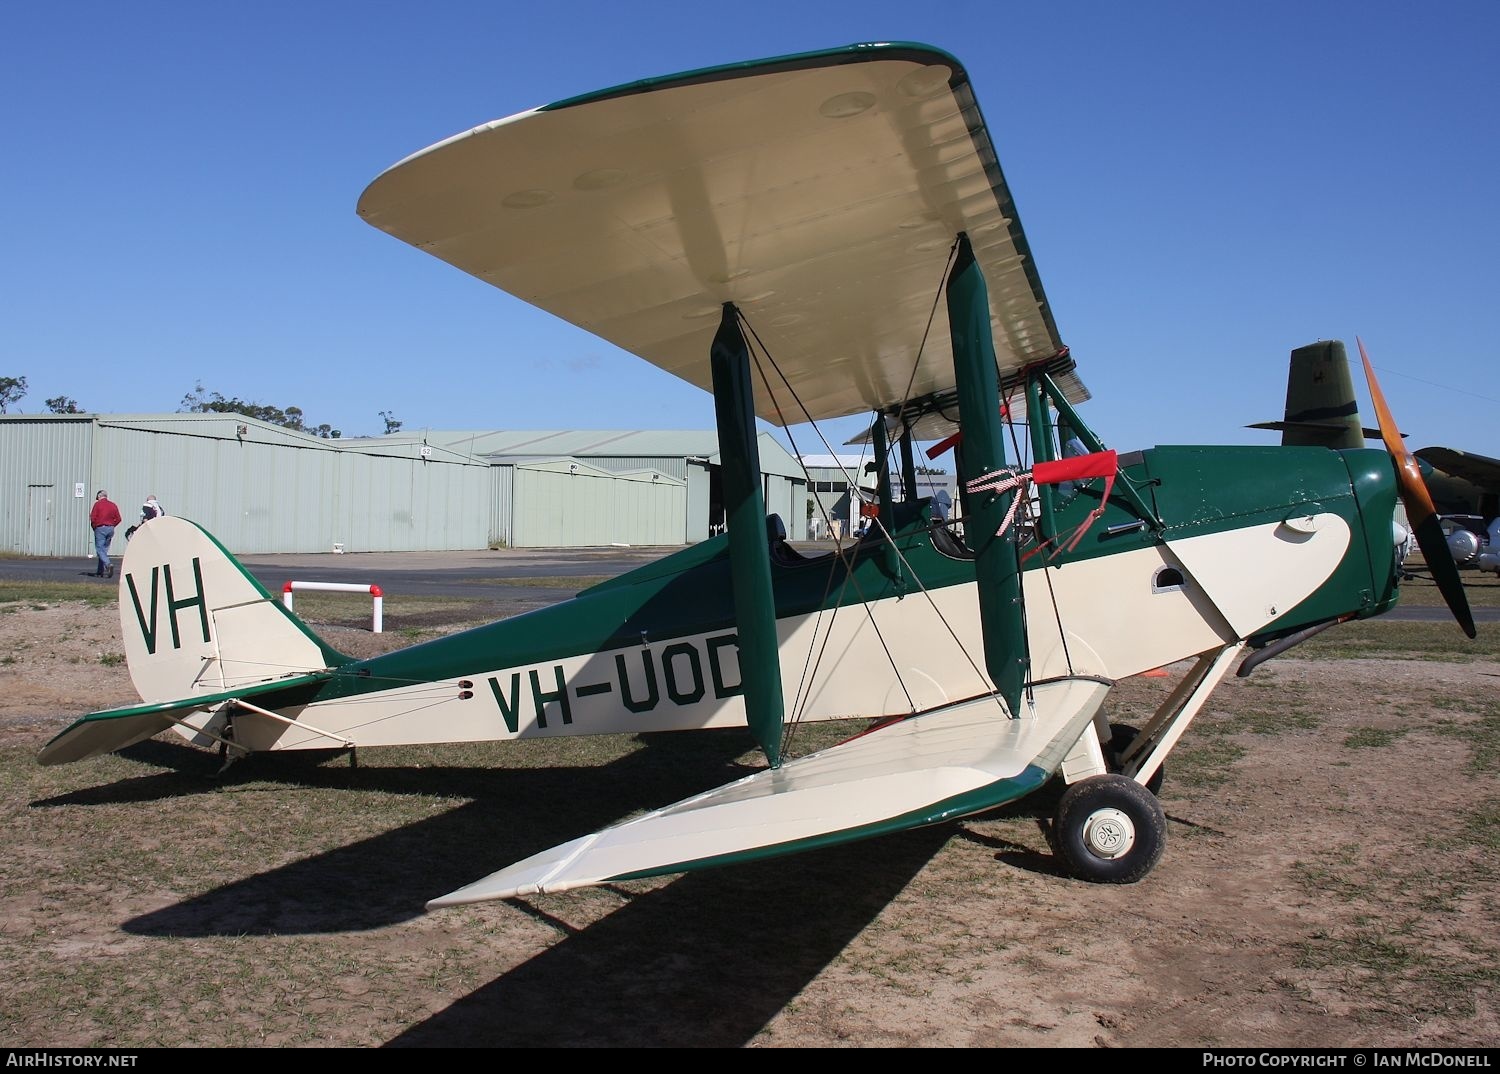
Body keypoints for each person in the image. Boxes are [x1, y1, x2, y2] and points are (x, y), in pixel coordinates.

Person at [89, 490, 122, 578]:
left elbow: (93, 518)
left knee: (99, 549)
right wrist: (112, 525)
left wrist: (95, 527)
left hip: (100, 528)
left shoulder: (97, 504)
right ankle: (100, 571)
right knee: (104, 551)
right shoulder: (113, 505)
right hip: (110, 528)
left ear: (99, 496)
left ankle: (108, 564)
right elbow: (118, 518)